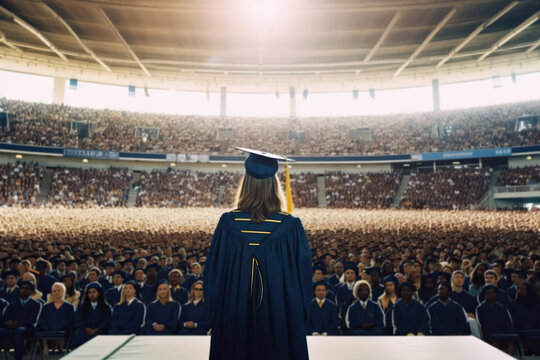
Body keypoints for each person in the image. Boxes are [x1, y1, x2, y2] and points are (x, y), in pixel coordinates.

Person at [204, 148, 312, 360]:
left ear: (246, 184)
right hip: (281, 319)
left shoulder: (228, 224)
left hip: (234, 318)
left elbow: (213, 279)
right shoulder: (290, 227)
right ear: (274, 185)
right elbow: (302, 282)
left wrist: (215, 317)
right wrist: (295, 318)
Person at [0, 281, 42, 360]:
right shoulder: (13, 304)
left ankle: (18, 358)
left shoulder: (36, 304)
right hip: (12, 327)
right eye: (22, 288)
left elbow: (33, 320)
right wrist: (8, 323)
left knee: (19, 331)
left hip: (28, 329)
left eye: (27, 288)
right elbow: (5, 317)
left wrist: (18, 323)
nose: (24, 290)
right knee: (1, 331)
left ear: (31, 291)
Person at [37, 282, 75, 356]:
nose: (56, 292)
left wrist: (60, 328)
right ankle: (46, 347)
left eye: (58, 290)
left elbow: (69, 321)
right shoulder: (46, 307)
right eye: (54, 291)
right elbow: (42, 320)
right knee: (41, 329)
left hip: (63, 330)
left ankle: (60, 346)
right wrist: (47, 328)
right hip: (48, 330)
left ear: (64, 292)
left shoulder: (70, 307)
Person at [476, 284, 515, 355]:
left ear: (496, 294)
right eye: (488, 293)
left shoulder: (502, 307)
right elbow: (482, 325)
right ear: (484, 294)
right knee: (494, 343)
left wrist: (509, 333)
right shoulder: (480, 308)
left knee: (511, 341)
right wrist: (490, 334)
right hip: (489, 335)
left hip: (502, 334)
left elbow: (507, 323)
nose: (491, 295)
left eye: (493, 293)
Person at [72, 282, 111, 349]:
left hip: (99, 329)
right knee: (78, 333)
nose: (91, 294)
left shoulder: (106, 307)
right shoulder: (83, 307)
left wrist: (97, 329)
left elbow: (107, 321)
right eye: (89, 292)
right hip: (85, 329)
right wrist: (86, 328)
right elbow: (78, 320)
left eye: (94, 292)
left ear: (99, 293)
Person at [507, 282, 540, 354]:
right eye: (519, 289)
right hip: (521, 333)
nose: (520, 291)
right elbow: (512, 321)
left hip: (535, 333)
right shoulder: (512, 305)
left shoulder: (536, 304)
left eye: (524, 289)